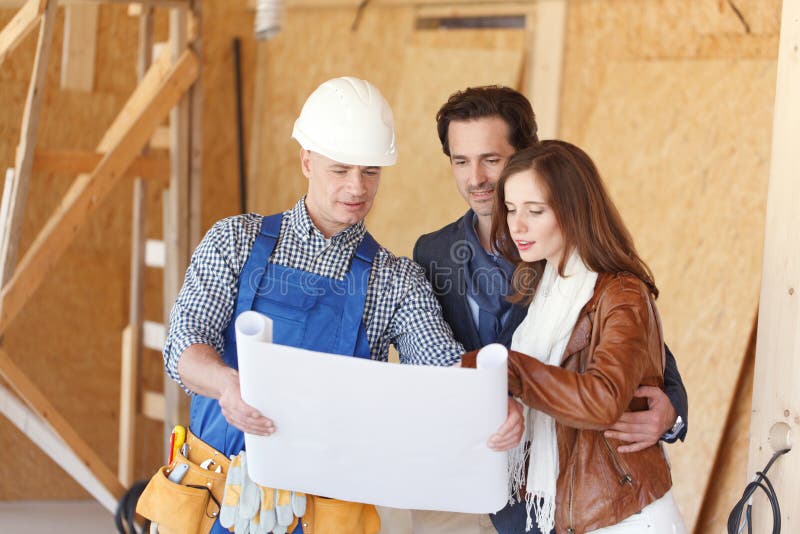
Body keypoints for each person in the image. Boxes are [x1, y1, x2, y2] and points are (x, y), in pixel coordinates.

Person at [162, 77, 524, 534]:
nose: (357, 187)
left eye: (370, 171)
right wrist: (227, 386)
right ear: (307, 161)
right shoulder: (234, 240)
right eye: (341, 170)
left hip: (328, 510)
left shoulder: (395, 280)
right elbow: (183, 344)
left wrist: (487, 403)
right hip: (217, 492)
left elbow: (441, 367)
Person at [413, 86, 687, 533]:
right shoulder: (438, 253)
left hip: (590, 491)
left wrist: (671, 411)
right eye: (460, 161)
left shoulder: (580, 272)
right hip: (513, 485)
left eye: (491, 159)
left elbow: (641, 358)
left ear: (524, 155)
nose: (476, 178)